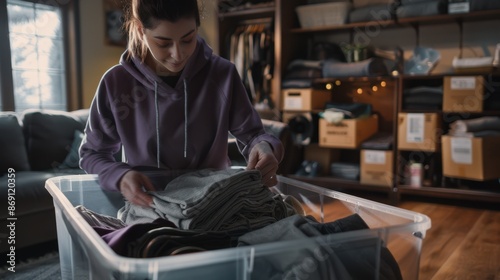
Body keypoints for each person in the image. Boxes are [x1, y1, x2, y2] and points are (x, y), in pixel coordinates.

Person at [79, 0, 283, 208]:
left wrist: (264, 147)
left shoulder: (223, 75)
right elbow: (92, 154)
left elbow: (253, 135)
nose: (178, 54)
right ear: (141, 30)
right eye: (163, 43)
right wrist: (120, 176)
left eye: (188, 39)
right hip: (149, 206)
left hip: (215, 204)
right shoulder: (116, 83)